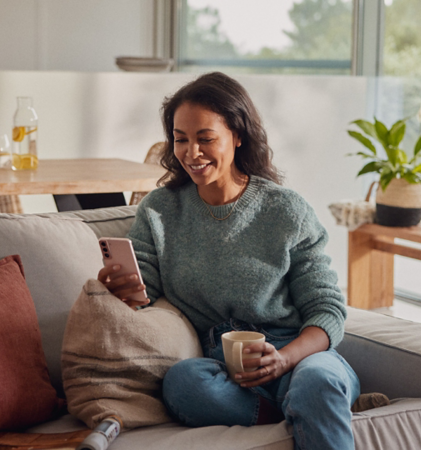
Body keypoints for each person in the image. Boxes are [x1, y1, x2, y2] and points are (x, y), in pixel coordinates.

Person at [97, 72, 361, 450]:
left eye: (205, 138)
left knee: (317, 382)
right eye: (180, 139)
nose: (191, 153)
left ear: (238, 136)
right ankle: (291, 411)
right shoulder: (160, 209)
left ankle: (310, 398)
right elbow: (146, 295)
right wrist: (123, 291)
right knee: (183, 384)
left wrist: (283, 360)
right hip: (222, 367)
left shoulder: (286, 210)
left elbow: (328, 310)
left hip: (297, 355)